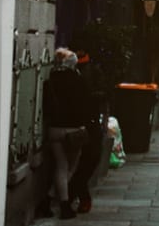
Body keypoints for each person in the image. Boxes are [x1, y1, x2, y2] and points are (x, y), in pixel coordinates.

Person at [43, 48, 93, 220]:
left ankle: (47, 201)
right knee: (70, 167)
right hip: (74, 129)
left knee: (60, 166)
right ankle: (64, 205)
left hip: (54, 129)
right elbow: (87, 104)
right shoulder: (78, 80)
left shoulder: (49, 79)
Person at [68, 48, 106, 214]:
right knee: (85, 161)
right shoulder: (75, 74)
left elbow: (103, 94)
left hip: (87, 122)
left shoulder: (89, 72)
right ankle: (74, 195)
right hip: (82, 123)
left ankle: (72, 194)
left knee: (87, 161)